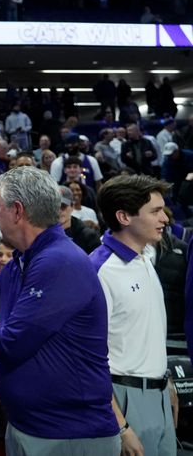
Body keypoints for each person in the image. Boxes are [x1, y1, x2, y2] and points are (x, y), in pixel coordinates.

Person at [0, 167, 119, 454]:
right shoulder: (25, 260)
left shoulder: (58, 261)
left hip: (67, 435)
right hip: (32, 427)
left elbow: (13, 342)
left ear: (17, 211)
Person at [91, 175, 178, 456]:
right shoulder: (100, 271)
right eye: (155, 211)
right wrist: (121, 425)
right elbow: (88, 357)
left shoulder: (145, 256)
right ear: (124, 216)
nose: (164, 218)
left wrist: (166, 384)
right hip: (124, 401)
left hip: (160, 392)